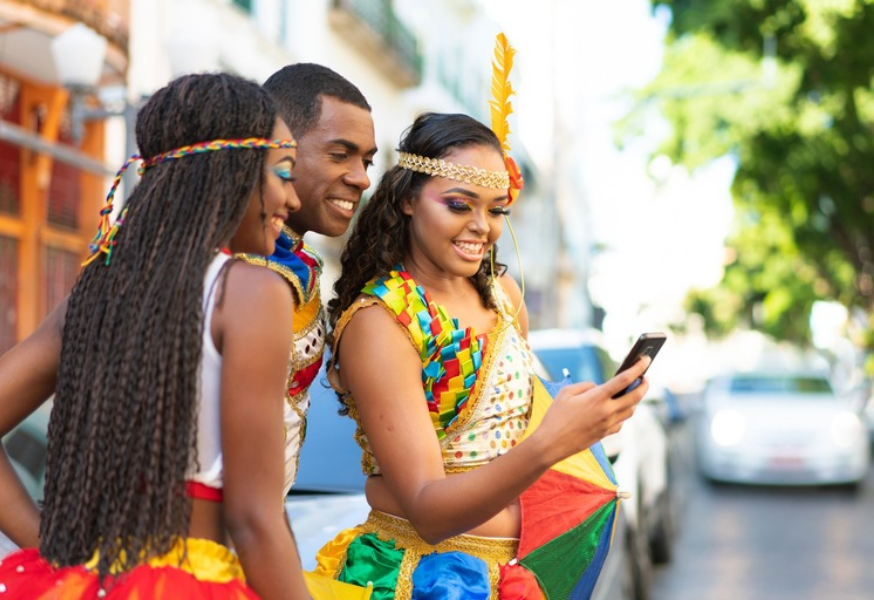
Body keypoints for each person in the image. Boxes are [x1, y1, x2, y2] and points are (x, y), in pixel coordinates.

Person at [312, 111, 651, 598]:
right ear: (407, 199)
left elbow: (511, 437)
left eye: (497, 210)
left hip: (510, 575)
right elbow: (428, 512)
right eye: (458, 204)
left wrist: (586, 418)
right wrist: (552, 442)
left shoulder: (503, 295)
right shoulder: (381, 321)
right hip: (419, 578)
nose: (482, 227)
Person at [0, 72, 312, 599]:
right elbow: (254, 520)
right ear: (229, 172)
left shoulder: (96, 291)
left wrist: (49, 551)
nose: (293, 199)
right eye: (283, 173)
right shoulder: (253, 292)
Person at [236, 63, 377, 498]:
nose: (362, 177)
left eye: (367, 161)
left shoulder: (305, 266)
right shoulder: (220, 271)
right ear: (277, 147)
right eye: (340, 155)